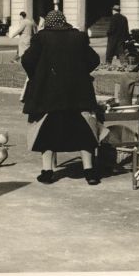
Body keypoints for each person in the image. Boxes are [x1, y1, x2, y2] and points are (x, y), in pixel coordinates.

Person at [21, 10, 102, 185]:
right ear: (64, 22)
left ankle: (47, 172)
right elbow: (94, 59)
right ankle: (89, 171)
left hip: (48, 96)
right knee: (84, 132)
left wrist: (38, 76)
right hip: (78, 94)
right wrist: (80, 72)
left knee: (47, 132)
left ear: (48, 23)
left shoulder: (41, 38)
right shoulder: (78, 37)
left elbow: (27, 60)